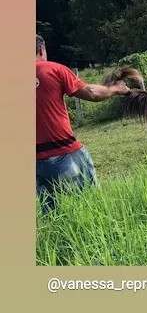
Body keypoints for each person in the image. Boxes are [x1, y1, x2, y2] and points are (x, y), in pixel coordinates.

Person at [36, 34, 130, 213]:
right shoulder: (54, 70)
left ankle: (60, 240)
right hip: (64, 152)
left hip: (35, 160)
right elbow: (91, 93)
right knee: (89, 204)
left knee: (53, 214)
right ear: (42, 49)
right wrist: (115, 89)